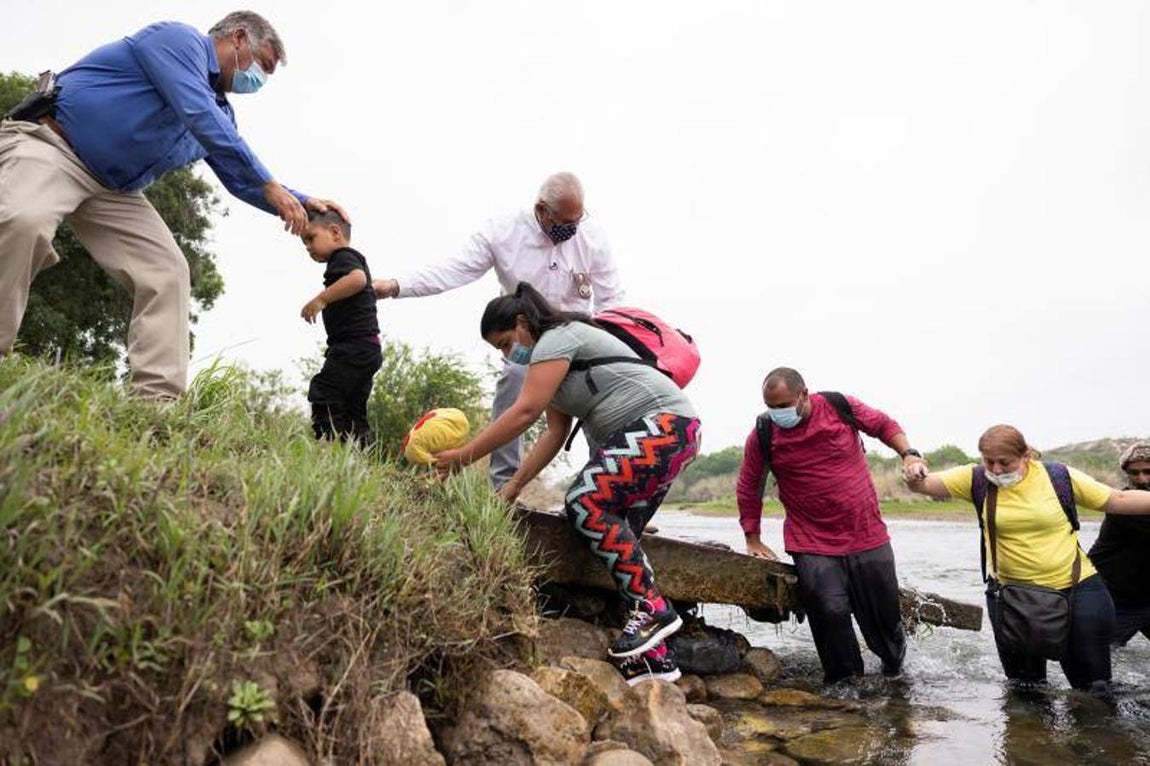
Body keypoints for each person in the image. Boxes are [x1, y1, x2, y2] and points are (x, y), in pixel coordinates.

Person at [0, 11, 345, 399]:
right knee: (23, 219)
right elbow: (197, 112)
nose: (257, 81)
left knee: (167, 272)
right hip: (53, 143)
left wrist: (302, 203)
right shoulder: (178, 42)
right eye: (260, 66)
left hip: (113, 189)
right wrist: (271, 184)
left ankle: (156, 403)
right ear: (238, 37)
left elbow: (238, 177)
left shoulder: (222, 114)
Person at [435, 282, 699, 686]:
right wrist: (514, 486)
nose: (509, 355)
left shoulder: (557, 338)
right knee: (619, 535)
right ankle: (657, 659)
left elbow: (523, 413)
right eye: (500, 351)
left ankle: (653, 609)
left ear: (523, 323)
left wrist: (463, 455)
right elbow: (552, 435)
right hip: (667, 436)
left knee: (585, 502)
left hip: (664, 427)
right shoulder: (554, 371)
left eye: (507, 343)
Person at [372, 171, 624, 489]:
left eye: (577, 221)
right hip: (526, 340)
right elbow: (453, 270)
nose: (571, 230)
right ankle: (501, 486)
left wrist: (613, 349)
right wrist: (396, 286)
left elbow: (611, 298)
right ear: (541, 210)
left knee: (598, 403)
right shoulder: (503, 232)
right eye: (563, 223)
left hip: (579, 339)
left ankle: (611, 493)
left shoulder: (591, 237)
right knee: (515, 382)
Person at [906, 424, 1150, 692]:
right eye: (990, 462)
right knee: (1027, 691)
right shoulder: (975, 479)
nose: (996, 470)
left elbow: (1117, 499)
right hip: (1012, 597)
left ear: (1025, 456)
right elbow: (923, 485)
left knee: (1095, 691)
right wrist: (914, 471)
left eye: (1005, 463)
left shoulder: (1058, 476)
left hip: (1078, 590)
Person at [734, 367, 926, 685]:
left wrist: (908, 454)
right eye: (771, 407)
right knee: (829, 610)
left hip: (866, 533)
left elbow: (883, 425)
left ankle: (895, 675)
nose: (777, 413)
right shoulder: (763, 432)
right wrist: (752, 538)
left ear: (804, 394)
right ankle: (845, 684)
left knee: (884, 618)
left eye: (783, 405)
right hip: (811, 539)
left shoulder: (839, 406)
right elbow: (749, 485)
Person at [299, 210, 382, 447]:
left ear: (335, 231)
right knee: (353, 406)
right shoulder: (351, 259)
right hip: (367, 349)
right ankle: (358, 453)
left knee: (326, 391)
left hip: (353, 347)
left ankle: (328, 445)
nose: (308, 247)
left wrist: (321, 300)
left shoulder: (342, 257)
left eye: (311, 238)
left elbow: (358, 280)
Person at [1088, 443, 1150, 647]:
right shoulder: (1122, 506)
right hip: (1115, 598)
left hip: (1144, 595)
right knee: (1098, 658)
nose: (1142, 478)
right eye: (1135, 472)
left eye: (1148, 471)